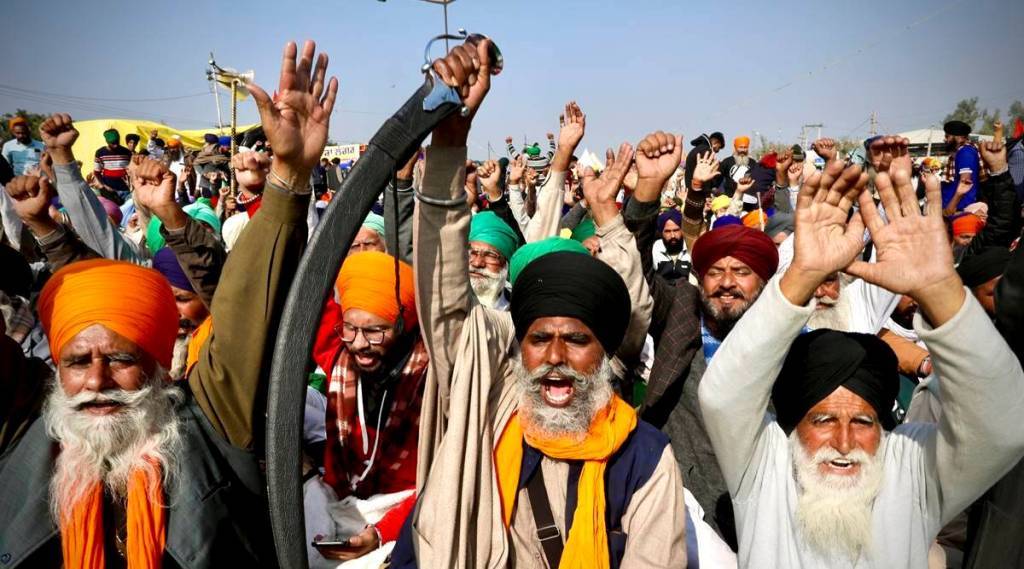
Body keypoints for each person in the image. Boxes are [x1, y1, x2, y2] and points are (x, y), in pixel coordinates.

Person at [0, 39, 339, 567]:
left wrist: (288, 178)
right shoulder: (26, 432)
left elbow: (246, 309)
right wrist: (45, 225)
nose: (95, 382)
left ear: (159, 364)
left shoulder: (207, 428)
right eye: (77, 362)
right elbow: (89, 293)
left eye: (120, 359)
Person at [392, 41, 684, 568]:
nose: (555, 355)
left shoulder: (643, 459)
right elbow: (445, 293)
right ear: (516, 343)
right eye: (539, 338)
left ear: (607, 352)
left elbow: (634, 304)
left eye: (576, 340)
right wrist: (449, 144)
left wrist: (624, 211)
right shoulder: (489, 411)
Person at [698, 135, 1024, 567]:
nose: (845, 442)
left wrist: (941, 292)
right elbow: (722, 395)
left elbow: (1005, 421)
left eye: (865, 421)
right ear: (794, 422)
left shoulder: (911, 468)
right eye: (824, 419)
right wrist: (802, 276)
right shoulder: (766, 463)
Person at [624, 130, 779, 549]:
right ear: (700, 277)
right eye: (715, 272)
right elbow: (634, 268)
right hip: (685, 505)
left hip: (764, 506)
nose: (727, 284)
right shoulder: (679, 313)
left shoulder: (780, 339)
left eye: (742, 272)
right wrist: (648, 191)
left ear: (763, 283)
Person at [305, 252, 426, 566]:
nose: (358, 343)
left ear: (404, 324)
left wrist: (380, 532)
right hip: (338, 509)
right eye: (349, 328)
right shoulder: (338, 359)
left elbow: (440, 481)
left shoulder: (433, 381)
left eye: (375, 331)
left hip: (407, 518)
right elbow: (303, 291)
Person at [467, 210, 520, 310]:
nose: (477, 263)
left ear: (505, 264)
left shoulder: (517, 310)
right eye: (472, 253)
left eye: (490, 255)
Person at [941, 120, 981, 210]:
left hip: (959, 209)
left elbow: (964, 184)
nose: (945, 140)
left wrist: (950, 209)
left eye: (947, 136)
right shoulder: (959, 153)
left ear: (960, 138)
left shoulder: (965, 152)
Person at [651, 208, 691, 284]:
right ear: (661, 233)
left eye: (676, 230)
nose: (672, 236)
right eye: (667, 231)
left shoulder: (690, 247)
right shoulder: (655, 249)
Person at [93, 128, 133, 197]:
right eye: (113, 143)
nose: (116, 145)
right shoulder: (100, 153)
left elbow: (132, 171)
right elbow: (97, 172)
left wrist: (131, 186)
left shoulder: (127, 152)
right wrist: (104, 186)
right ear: (107, 141)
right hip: (109, 191)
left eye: (117, 142)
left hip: (126, 190)